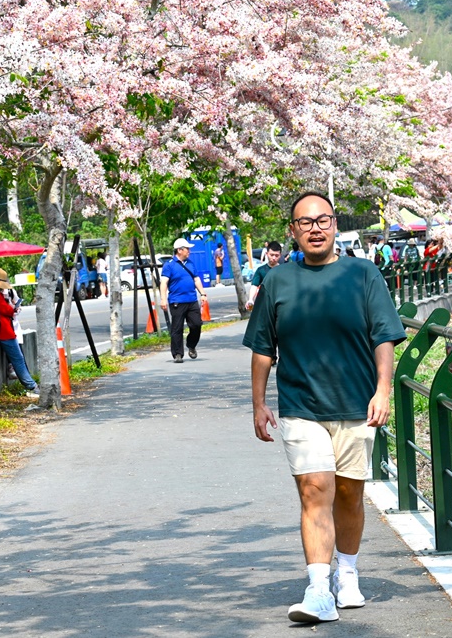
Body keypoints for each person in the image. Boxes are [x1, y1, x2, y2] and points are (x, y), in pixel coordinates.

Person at [243, 192, 406, 624]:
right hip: (301, 405)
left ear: (334, 225)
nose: (315, 228)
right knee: (315, 490)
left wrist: (383, 390)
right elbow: (263, 349)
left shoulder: (363, 274)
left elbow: (383, 337)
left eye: (323, 220)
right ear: (293, 231)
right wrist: (258, 404)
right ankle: (318, 589)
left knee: (350, 493)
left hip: (356, 403)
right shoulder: (277, 281)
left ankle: (346, 574)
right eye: (305, 222)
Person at [0, 268, 38, 396]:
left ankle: (31, 385)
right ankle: (31, 386)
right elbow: (7, 311)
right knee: (18, 359)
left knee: (18, 358)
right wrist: (12, 308)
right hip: (3, 331)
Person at [159, 238, 208, 363]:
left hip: (191, 300)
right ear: (179, 250)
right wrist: (163, 299)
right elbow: (164, 283)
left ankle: (191, 345)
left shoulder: (190, 263)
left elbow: (196, 279)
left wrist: (202, 293)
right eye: (187, 249)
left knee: (197, 324)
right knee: (177, 328)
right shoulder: (169, 265)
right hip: (177, 301)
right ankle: (177, 354)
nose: (189, 251)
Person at [246, 240, 282, 310]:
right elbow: (254, 285)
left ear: (280, 255)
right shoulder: (261, 270)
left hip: (280, 305)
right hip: (265, 305)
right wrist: (251, 299)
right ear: (267, 254)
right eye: (271, 255)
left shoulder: (284, 270)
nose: (274, 258)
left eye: (276, 255)